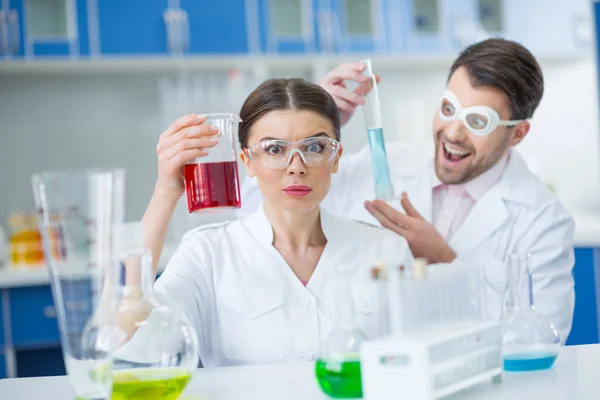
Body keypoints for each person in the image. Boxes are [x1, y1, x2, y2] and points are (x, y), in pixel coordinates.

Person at [240, 38, 575, 342]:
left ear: (518, 134)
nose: (453, 133)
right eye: (448, 109)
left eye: (478, 122)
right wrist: (311, 129)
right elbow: (257, 216)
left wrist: (444, 261)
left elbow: (543, 340)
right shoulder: (384, 166)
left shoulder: (542, 219)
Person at [135, 78, 413, 367]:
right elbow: (136, 342)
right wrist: (165, 191)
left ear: (336, 157)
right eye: (274, 149)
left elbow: (414, 363)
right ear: (247, 161)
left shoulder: (385, 250)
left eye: (315, 147)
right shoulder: (208, 254)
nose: (296, 166)